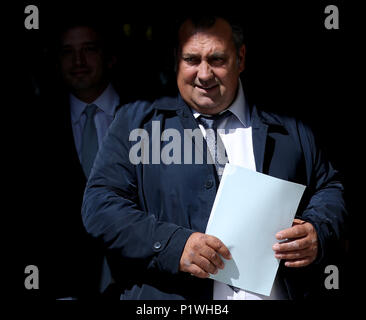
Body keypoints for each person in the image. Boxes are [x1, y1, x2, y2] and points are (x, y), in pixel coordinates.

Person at [81, 14, 347, 300]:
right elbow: (100, 205)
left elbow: (329, 187)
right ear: (175, 60)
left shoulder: (288, 123)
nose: (204, 74)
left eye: (217, 60)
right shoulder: (138, 123)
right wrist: (173, 245)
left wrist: (319, 230)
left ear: (241, 58)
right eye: (192, 60)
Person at [49, 20, 122, 299]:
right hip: (68, 285)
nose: (78, 61)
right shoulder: (36, 121)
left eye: (89, 49)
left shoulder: (150, 116)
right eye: (68, 52)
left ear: (109, 56)